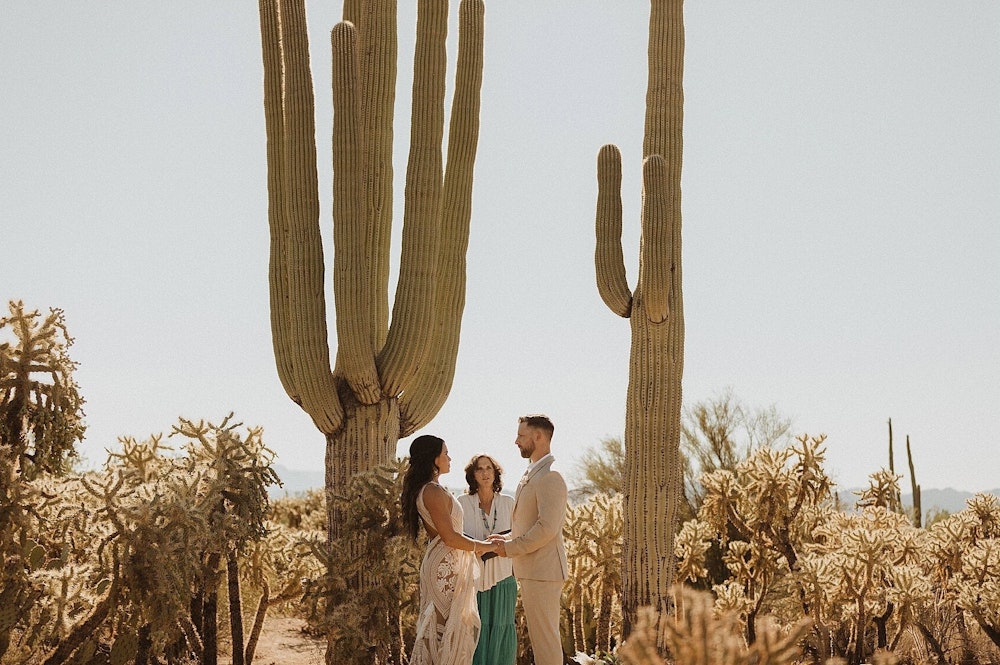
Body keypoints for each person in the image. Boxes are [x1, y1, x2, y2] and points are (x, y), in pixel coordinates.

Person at [401, 435, 500, 665]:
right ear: (434, 459)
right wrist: (484, 547)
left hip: (447, 564)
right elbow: (449, 537)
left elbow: (452, 534)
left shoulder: (431, 489)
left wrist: (482, 545)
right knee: (441, 629)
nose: (449, 458)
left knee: (448, 629)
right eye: (445, 453)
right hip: (443, 569)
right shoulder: (432, 492)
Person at [489, 415, 568, 665]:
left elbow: (547, 528)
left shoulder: (550, 477)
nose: (516, 441)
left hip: (544, 572)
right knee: (541, 639)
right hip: (533, 571)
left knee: (546, 641)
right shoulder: (533, 474)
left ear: (538, 437)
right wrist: (504, 538)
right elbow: (528, 524)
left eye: (521, 436)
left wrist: (509, 548)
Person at [458, 455, 517, 665]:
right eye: (479, 469)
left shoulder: (509, 502)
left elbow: (520, 533)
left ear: (495, 472)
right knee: (476, 631)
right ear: (472, 474)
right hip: (473, 578)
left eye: (489, 468)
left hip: (503, 575)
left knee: (502, 627)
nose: (485, 473)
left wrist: (495, 544)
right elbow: (456, 536)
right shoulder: (462, 503)